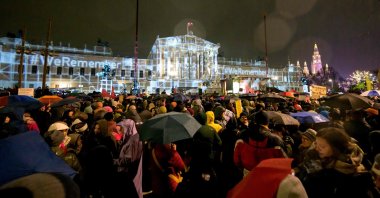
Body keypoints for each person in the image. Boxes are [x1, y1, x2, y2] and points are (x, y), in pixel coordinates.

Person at [302, 127, 373, 198]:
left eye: (322, 146)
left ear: (336, 148)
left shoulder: (353, 166)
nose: (317, 148)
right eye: (316, 144)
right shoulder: (313, 161)